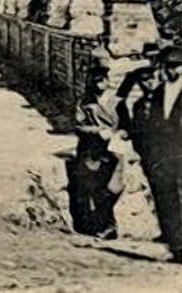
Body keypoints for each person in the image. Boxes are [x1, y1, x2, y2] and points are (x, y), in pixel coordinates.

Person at [133, 40, 182, 265]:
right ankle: (175, 246)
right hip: (162, 155)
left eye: (177, 66)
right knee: (166, 199)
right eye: (168, 65)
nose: (172, 70)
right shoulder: (156, 94)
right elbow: (151, 125)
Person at [66, 50, 123, 240]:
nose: (101, 83)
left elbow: (119, 122)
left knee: (107, 189)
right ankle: (93, 224)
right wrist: (95, 131)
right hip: (90, 149)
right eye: (97, 80)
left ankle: (106, 224)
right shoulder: (84, 103)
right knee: (89, 187)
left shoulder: (111, 101)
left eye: (103, 79)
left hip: (108, 149)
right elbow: (79, 124)